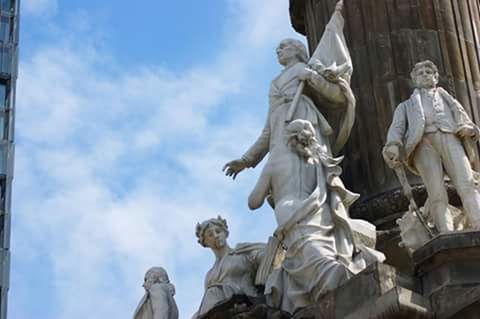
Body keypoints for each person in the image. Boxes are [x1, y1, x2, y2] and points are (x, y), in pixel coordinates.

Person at [222, 5, 384, 312]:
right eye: (277, 48)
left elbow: (336, 97)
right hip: (283, 142)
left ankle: (330, 242)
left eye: (283, 46)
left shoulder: (306, 71)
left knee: (318, 189)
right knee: (294, 189)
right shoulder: (275, 84)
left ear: (297, 49)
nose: (278, 51)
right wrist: (246, 160)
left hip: (308, 135)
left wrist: (313, 78)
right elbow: (269, 130)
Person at [383, 60, 480, 232]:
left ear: (436, 77)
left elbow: (469, 124)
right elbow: (396, 129)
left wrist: (471, 130)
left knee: (468, 184)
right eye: (420, 73)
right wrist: (392, 146)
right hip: (423, 145)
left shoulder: (450, 100)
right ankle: (445, 232)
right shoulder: (406, 106)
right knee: (436, 192)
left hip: (451, 138)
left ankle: (478, 222)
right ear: (414, 79)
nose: (425, 74)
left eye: (429, 72)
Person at [193, 216, 265, 317]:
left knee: (213, 291)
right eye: (210, 235)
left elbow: (266, 258)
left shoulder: (242, 254)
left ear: (225, 233)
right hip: (219, 310)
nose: (216, 235)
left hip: (246, 301)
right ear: (205, 242)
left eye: (218, 231)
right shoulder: (210, 275)